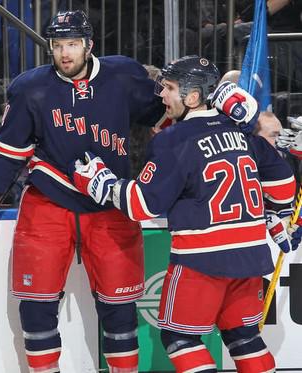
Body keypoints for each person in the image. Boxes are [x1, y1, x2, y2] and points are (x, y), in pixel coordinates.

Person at [0, 11, 257, 373]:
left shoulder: (124, 74)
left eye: (72, 44)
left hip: (110, 206)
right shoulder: (29, 87)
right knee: (36, 305)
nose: (64, 53)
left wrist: (217, 103)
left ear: (89, 45)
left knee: (120, 310)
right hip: (49, 203)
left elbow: (171, 109)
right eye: (57, 45)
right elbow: (8, 152)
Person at [71, 55, 297, 372]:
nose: (161, 95)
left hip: (201, 261)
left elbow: (142, 205)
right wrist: (271, 213)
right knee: (243, 337)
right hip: (250, 257)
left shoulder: (173, 140)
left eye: (170, 88)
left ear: (192, 97)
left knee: (180, 339)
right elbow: (285, 189)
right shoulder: (245, 135)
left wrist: (102, 183)